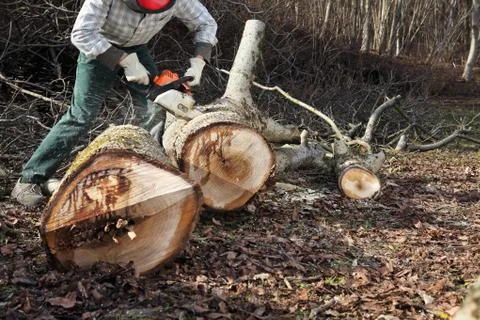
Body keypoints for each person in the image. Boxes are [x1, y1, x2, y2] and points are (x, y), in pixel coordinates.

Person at [11, 0, 218, 207]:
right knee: (81, 116)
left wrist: (199, 61)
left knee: (155, 108)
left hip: (137, 49)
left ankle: (150, 177)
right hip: (99, 48)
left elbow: (206, 22)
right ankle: (29, 179)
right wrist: (124, 61)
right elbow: (82, 33)